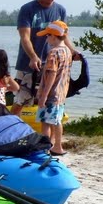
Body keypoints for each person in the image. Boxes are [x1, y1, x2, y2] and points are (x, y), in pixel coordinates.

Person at [13, 0, 80, 115]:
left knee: (48, 99)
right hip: (29, 63)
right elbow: (25, 37)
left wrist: (73, 52)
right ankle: (9, 128)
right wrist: (33, 56)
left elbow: (64, 36)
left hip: (52, 63)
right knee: (21, 99)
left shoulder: (60, 10)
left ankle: (45, 131)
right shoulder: (28, 9)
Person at [35, 20, 72, 156]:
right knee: (56, 120)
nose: (47, 38)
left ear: (54, 36)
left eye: (48, 35)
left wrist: (43, 95)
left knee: (45, 122)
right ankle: (56, 145)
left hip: (51, 93)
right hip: (61, 93)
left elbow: (51, 74)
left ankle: (46, 147)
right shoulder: (67, 51)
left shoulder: (53, 53)